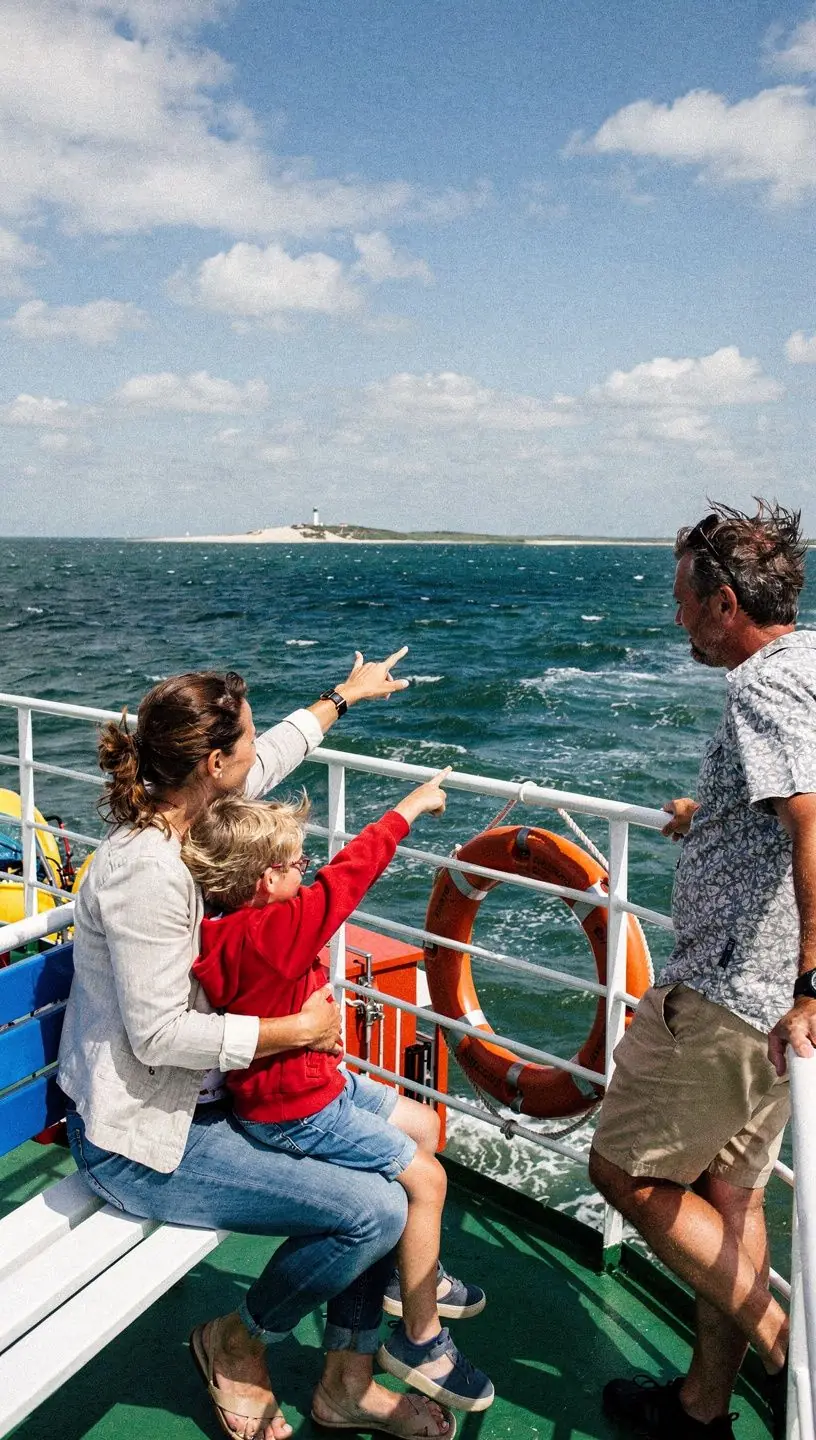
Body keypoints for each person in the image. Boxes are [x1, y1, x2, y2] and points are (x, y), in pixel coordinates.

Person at [57, 653, 460, 1440]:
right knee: (374, 1205)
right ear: (213, 765)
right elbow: (160, 1035)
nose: (254, 757)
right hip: (148, 1135)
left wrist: (343, 697)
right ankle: (237, 1340)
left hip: (215, 1100)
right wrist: (296, 1032)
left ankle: (348, 1378)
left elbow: (272, 751)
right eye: (240, 745)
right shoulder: (147, 870)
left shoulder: (201, 817)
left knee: (398, 1137)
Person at [588, 500, 816, 1440]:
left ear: (725, 602)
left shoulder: (761, 686)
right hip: (771, 1017)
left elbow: (811, 819)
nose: (677, 619)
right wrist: (713, 811)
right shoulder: (811, 664)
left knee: (624, 1175)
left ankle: (787, 1346)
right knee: (733, 1200)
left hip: (732, 997)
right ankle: (700, 1411)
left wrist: (813, 983)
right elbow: (782, 804)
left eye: (686, 602)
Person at [182, 780, 493, 1415]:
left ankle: (417, 1278)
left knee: (424, 1130)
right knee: (426, 1183)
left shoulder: (230, 930)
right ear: (265, 882)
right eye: (298, 864)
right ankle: (419, 1339)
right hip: (298, 1110)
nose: (310, 871)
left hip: (309, 1083)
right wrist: (408, 809)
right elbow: (352, 875)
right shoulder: (278, 931)